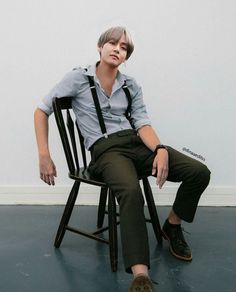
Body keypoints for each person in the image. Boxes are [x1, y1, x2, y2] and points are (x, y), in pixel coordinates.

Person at [34, 26, 211, 292]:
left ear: (126, 56)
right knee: (131, 191)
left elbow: (142, 123)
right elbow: (41, 110)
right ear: (100, 46)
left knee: (199, 171)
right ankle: (140, 274)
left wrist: (160, 148)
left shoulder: (130, 85)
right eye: (113, 43)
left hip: (136, 143)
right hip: (105, 151)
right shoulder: (77, 78)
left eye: (124, 47)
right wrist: (44, 155)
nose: (117, 48)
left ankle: (172, 225)